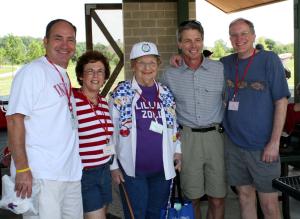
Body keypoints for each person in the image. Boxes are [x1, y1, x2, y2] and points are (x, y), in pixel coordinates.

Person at [6, 19, 83, 219]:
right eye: (58, 38)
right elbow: (14, 120)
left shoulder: (62, 75)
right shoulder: (33, 72)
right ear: (45, 41)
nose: (65, 45)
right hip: (43, 175)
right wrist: (22, 168)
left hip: (69, 173)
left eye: (70, 40)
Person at [220, 18, 290, 219]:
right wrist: (179, 58)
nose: (238, 38)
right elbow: (198, 66)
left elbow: (281, 101)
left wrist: (274, 142)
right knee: (244, 196)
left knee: (269, 204)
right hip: (234, 145)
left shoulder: (269, 59)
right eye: (233, 34)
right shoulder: (225, 63)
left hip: (263, 146)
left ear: (253, 36)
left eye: (243, 33)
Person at [161, 20, 226, 219]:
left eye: (197, 40)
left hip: (215, 138)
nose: (193, 45)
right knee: (192, 197)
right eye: (187, 41)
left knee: (217, 197)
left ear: (203, 41)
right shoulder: (170, 75)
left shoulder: (219, 69)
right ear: (179, 44)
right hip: (187, 139)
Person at [109, 41, 182, 219]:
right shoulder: (121, 92)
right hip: (132, 172)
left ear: (158, 65)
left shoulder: (165, 93)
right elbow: (109, 132)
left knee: (155, 215)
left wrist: (178, 151)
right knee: (136, 215)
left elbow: (174, 125)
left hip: (162, 171)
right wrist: (113, 166)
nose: (147, 67)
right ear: (133, 65)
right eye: (141, 62)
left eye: (152, 63)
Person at [73, 51, 114, 219]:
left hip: (105, 170)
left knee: (102, 212)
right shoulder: (72, 100)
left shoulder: (104, 102)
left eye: (100, 71)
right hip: (85, 173)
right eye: (90, 71)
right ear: (81, 75)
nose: (96, 75)